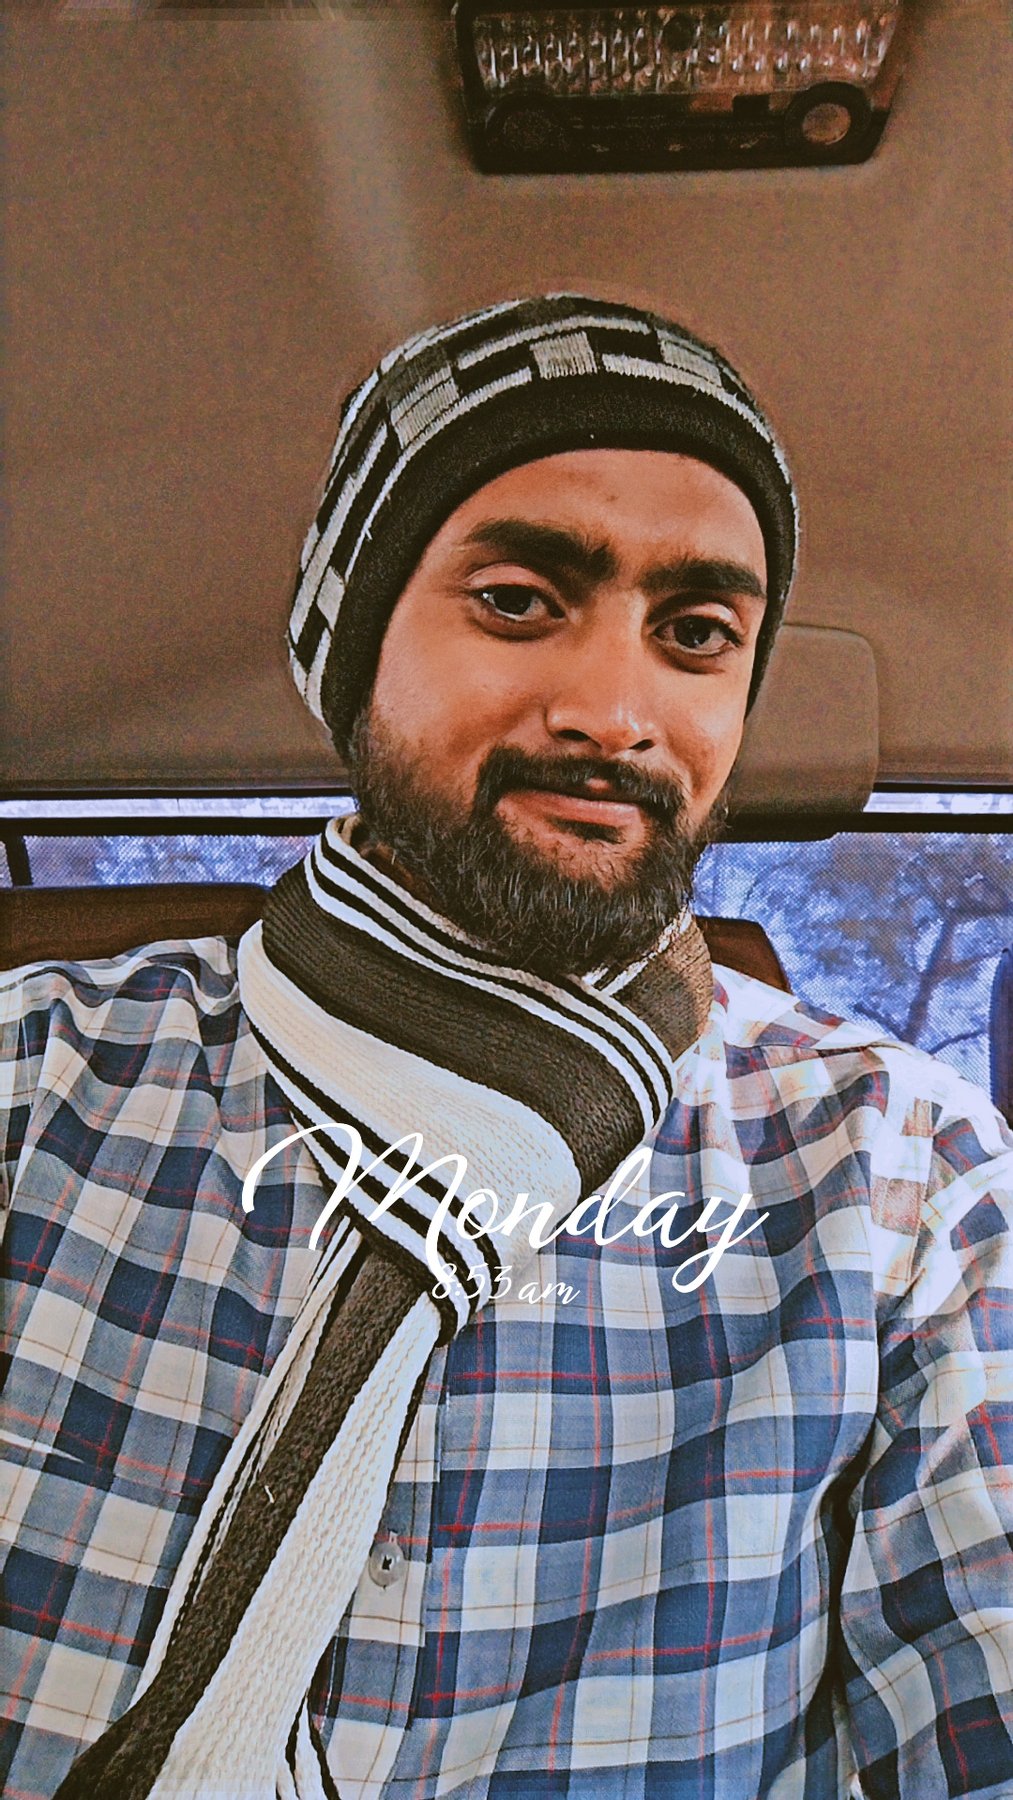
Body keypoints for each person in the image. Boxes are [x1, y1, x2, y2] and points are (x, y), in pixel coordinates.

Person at [1, 294, 1010, 1800]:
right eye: (520, 601)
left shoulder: (902, 1171)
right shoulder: (33, 1078)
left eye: (696, 635)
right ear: (354, 653)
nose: (612, 711)